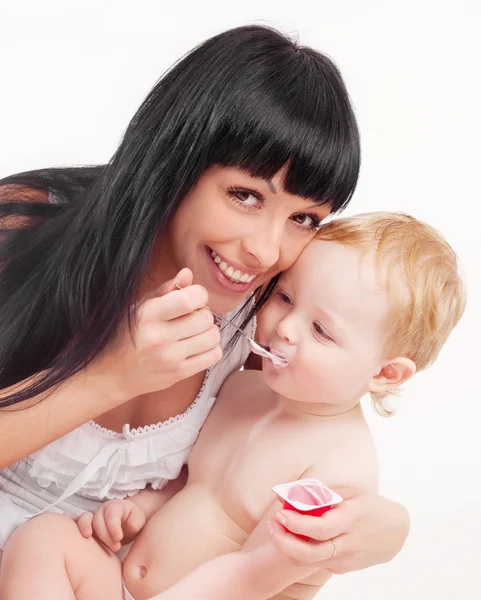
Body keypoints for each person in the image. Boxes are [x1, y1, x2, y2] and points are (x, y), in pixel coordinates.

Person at [0, 25, 408, 577]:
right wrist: (110, 376)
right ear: (179, 159)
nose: (266, 250)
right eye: (245, 195)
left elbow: (321, 434)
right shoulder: (24, 223)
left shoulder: (268, 314)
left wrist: (388, 528)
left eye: (303, 218)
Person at [0, 212, 466, 600]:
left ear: (384, 374)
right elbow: (193, 481)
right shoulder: (245, 388)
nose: (285, 328)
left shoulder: (337, 470)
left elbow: (253, 571)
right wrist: (142, 507)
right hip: (123, 580)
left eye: (322, 330)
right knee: (44, 538)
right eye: (285, 297)